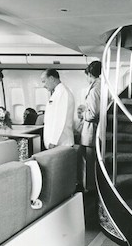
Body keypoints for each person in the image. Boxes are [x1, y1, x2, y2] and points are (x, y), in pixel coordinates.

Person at [80, 61, 101, 192]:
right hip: (96, 131)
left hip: (91, 132)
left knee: (89, 162)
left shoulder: (94, 90)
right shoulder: (102, 86)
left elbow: (92, 114)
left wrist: (83, 114)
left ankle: (90, 188)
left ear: (89, 74)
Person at [41, 69, 75, 148]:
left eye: (44, 81)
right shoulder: (58, 92)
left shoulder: (63, 93)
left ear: (52, 79)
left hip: (60, 143)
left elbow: (61, 120)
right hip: (58, 143)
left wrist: (53, 141)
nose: (44, 85)